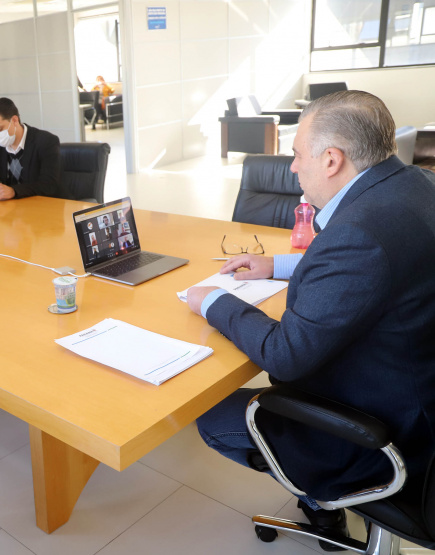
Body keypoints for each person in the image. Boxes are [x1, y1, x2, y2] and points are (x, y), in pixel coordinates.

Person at [186, 91, 435, 550]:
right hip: (418, 390)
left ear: (332, 160)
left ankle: (327, 497)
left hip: (386, 433)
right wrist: (275, 265)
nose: (294, 167)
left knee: (209, 415)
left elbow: (286, 357)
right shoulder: (414, 184)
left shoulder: (357, 233)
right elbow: (376, 265)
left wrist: (214, 302)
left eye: (299, 155)